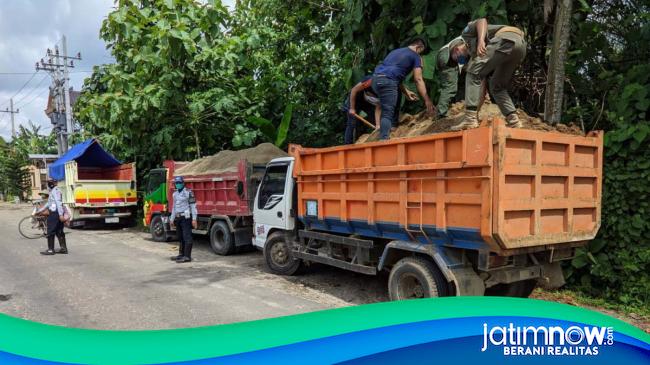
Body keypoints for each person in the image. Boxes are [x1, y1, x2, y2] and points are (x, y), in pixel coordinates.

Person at [449, 18, 526, 131]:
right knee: (496, 86)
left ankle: (470, 120)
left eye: (456, 58)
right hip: (520, 46)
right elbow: (480, 82)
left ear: (456, 49)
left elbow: (482, 21)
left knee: (472, 71)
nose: (459, 61)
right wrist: (477, 108)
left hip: (506, 38)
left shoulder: (466, 35)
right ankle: (514, 120)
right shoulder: (475, 54)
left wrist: (481, 40)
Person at [372, 37, 435, 140]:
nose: (420, 54)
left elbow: (394, 76)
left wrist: (406, 92)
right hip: (388, 82)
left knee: (395, 94)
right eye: (421, 51)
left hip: (375, 80)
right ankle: (384, 139)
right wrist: (427, 100)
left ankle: (393, 126)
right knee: (388, 111)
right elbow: (418, 79)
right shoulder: (415, 56)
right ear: (419, 47)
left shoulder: (395, 52)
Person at [344, 76, 419, 144]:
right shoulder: (369, 80)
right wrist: (352, 108)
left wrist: (378, 125)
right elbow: (353, 90)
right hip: (354, 99)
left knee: (375, 119)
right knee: (352, 122)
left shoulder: (385, 91)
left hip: (367, 101)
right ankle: (347, 145)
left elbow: (378, 107)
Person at [435, 36, 467, 118]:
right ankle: (441, 114)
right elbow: (459, 50)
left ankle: (460, 103)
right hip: (447, 56)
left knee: (462, 79)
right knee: (450, 87)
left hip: (455, 54)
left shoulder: (469, 36)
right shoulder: (470, 35)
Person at [169, 176, 197, 263]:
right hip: (178, 217)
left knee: (187, 236)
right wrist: (171, 219)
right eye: (176, 183)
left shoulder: (189, 193)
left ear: (183, 183)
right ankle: (181, 254)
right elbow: (173, 207)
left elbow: (193, 206)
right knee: (180, 236)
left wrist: (194, 219)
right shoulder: (175, 194)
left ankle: (187, 256)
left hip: (186, 217)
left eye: (179, 183)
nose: (178, 184)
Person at [39, 179, 67, 255]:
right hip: (56, 213)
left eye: (48, 183)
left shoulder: (56, 191)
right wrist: (40, 210)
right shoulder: (53, 191)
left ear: (52, 183)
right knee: (58, 231)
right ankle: (63, 248)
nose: (47, 184)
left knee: (50, 231)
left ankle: (51, 250)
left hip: (55, 213)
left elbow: (59, 203)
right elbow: (49, 203)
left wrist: (61, 214)